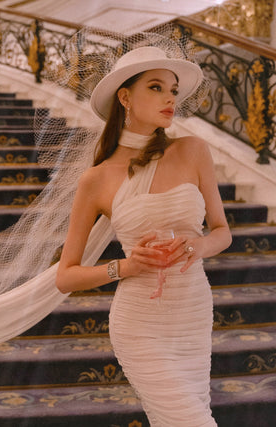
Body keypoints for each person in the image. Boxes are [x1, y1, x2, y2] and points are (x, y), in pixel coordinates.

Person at [55, 46, 232, 426]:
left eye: (173, 89)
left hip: (193, 314)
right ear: (125, 97)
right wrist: (125, 266)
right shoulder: (96, 179)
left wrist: (199, 244)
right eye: (156, 87)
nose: (170, 98)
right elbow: (65, 275)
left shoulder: (192, 151)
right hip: (140, 324)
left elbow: (222, 232)